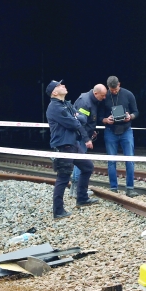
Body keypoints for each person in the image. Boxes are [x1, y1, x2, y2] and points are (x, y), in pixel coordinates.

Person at [45, 80, 98, 219]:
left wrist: (76, 117)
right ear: (54, 92)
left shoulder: (66, 104)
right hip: (63, 146)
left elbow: (83, 118)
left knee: (87, 167)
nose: (63, 85)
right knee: (63, 177)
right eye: (59, 85)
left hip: (73, 144)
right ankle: (58, 211)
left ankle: (82, 198)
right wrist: (75, 118)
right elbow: (74, 123)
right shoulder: (54, 107)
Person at [102, 76, 139, 196]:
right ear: (108, 87)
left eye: (115, 89)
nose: (114, 91)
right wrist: (106, 120)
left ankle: (130, 188)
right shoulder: (104, 96)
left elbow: (136, 112)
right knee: (111, 161)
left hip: (126, 129)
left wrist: (131, 116)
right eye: (111, 90)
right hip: (110, 130)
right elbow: (97, 116)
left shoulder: (128, 94)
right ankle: (113, 188)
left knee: (130, 160)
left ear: (119, 84)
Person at [70, 84, 107, 191]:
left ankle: (75, 189)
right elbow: (80, 123)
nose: (104, 98)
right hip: (80, 136)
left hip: (84, 134)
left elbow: (88, 121)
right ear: (96, 93)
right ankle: (77, 189)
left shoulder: (93, 101)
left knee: (79, 161)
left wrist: (92, 131)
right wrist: (86, 139)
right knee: (80, 162)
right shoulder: (85, 102)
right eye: (103, 95)